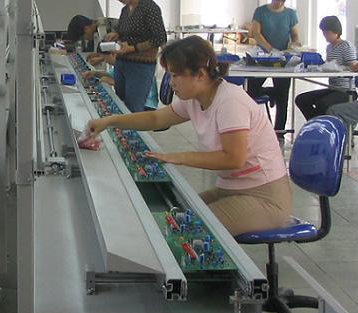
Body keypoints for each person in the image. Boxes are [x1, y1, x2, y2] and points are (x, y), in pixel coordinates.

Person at [86, 36, 291, 236]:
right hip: (229, 188)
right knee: (174, 216)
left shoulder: (229, 101)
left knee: (184, 231)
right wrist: (110, 121)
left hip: (264, 196)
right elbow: (155, 119)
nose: (171, 82)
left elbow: (233, 158)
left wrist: (179, 157)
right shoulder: (194, 99)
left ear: (200, 74)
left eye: (175, 76)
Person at [101, 0, 167, 112]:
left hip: (140, 67)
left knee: (133, 108)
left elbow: (160, 38)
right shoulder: (125, 10)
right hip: (122, 64)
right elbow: (124, 32)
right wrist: (116, 35)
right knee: (120, 105)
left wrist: (133, 48)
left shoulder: (149, 7)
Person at [247, 0, 300, 138]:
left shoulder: (290, 14)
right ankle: (271, 94)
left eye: (283, 0)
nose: (279, 3)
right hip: (262, 58)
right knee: (251, 91)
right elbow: (256, 33)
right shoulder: (261, 11)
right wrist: (270, 49)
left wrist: (294, 45)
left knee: (283, 96)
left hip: (282, 60)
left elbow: (295, 34)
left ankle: (279, 132)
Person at [295, 16, 357, 120]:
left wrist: (340, 69)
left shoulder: (346, 46)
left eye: (327, 32)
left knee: (322, 104)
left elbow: (354, 67)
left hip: (345, 90)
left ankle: (321, 126)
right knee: (301, 99)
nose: (325, 35)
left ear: (336, 32)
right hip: (333, 88)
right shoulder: (329, 47)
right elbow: (328, 65)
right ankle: (316, 124)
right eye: (323, 32)